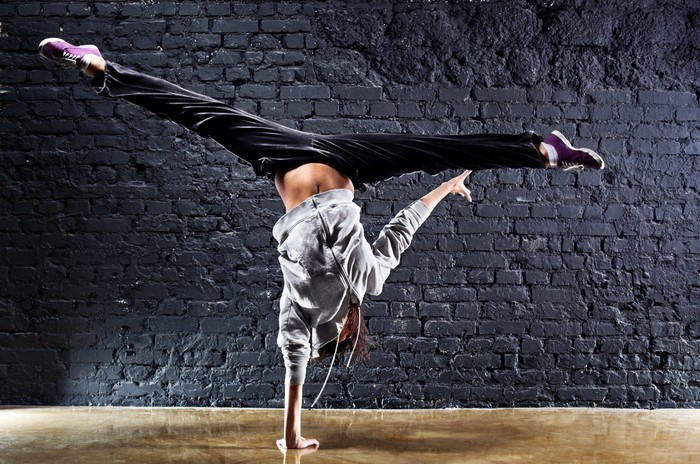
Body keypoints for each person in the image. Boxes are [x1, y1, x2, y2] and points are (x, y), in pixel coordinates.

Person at [38, 38, 605, 450]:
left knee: (205, 116)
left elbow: (295, 367)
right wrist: (444, 191)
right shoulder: (360, 284)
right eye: (347, 336)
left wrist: (292, 437)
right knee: (432, 150)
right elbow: (402, 228)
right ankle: (543, 152)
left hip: (288, 157)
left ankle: (99, 66)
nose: (348, 333)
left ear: (337, 332)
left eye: (342, 338)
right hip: (339, 163)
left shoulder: (306, 311)